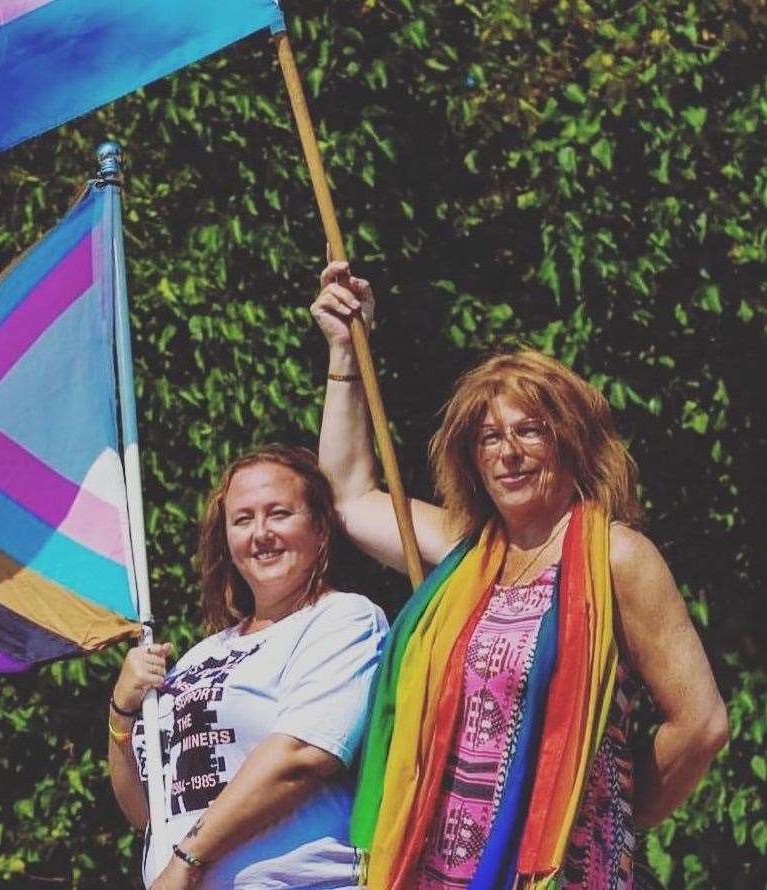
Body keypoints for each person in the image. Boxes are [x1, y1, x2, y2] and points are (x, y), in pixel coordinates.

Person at [311, 261, 728, 889]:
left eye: (530, 431)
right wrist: (345, 350)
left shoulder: (617, 556)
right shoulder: (463, 552)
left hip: (562, 871)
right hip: (438, 871)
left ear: (571, 441)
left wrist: (615, 815)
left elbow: (701, 725)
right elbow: (345, 497)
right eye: (488, 437)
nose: (508, 452)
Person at [106, 445, 388, 889]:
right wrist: (120, 714)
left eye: (279, 514)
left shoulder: (343, 619)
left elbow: (300, 756)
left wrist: (185, 861)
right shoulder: (200, 656)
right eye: (243, 520)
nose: (260, 534)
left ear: (319, 529)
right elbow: (146, 815)